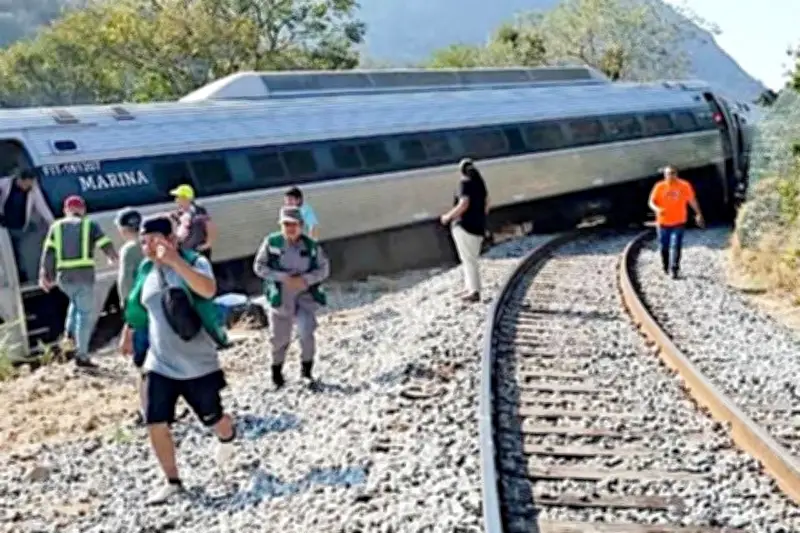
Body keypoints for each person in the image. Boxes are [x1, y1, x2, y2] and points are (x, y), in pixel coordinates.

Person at [119, 215, 235, 505]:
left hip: (198, 363)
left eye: (153, 241)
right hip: (158, 363)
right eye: (143, 242)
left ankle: (226, 437)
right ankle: (172, 481)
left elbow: (207, 290)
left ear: (171, 239)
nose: (147, 248)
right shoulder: (146, 269)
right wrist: (128, 332)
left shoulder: (195, 262)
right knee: (155, 421)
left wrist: (174, 261)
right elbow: (138, 305)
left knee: (214, 419)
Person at [253, 206, 330, 389]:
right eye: (286, 224)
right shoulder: (271, 242)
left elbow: (324, 269)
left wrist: (306, 279)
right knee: (279, 338)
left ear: (301, 225)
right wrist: (282, 277)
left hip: (304, 296)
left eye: (294, 224)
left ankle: (306, 372)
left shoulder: (311, 246)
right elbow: (259, 267)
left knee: (306, 332)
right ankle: (277, 374)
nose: (290, 228)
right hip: (281, 296)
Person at [39, 195, 117, 368]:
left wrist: (45, 275)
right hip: (84, 276)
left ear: (66, 210)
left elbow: (48, 252)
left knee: (74, 304)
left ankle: (68, 336)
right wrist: (112, 256)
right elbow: (105, 242)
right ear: (82, 210)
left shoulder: (56, 227)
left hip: (64, 278)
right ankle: (82, 355)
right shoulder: (90, 224)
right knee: (85, 316)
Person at [440, 158, 490, 303]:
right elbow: (487, 205)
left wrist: (447, 217)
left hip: (464, 227)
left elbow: (464, 204)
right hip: (478, 227)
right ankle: (469, 287)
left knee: (468, 260)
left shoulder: (464, 183)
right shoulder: (481, 185)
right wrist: (479, 217)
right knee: (470, 259)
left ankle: (474, 291)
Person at [115, 207, 148, 424]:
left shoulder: (129, 250)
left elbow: (126, 286)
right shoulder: (152, 243)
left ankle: (147, 411)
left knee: (143, 364)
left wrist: (128, 323)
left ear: (123, 229)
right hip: (159, 309)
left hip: (141, 313)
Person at [648, 165, 705, 279]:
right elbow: (651, 202)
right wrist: (657, 209)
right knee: (664, 246)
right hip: (663, 222)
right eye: (668, 173)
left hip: (679, 221)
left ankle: (674, 269)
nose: (670, 176)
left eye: (673, 173)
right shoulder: (659, 186)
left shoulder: (684, 185)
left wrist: (698, 213)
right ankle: (666, 266)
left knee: (676, 245)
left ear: (676, 174)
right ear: (665, 175)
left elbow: (691, 200)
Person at [0, 168, 54, 282]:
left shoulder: (33, 189)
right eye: (28, 184)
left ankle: (23, 277)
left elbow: (42, 207)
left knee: (23, 255)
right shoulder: (4, 184)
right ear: (20, 180)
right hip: (4, 229)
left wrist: (53, 224)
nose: (29, 187)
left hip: (21, 229)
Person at [169, 184, 217, 259]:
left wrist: (207, 245)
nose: (176, 200)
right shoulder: (179, 213)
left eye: (178, 197)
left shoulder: (199, 211)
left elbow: (210, 227)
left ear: (186, 198)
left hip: (198, 252)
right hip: (185, 252)